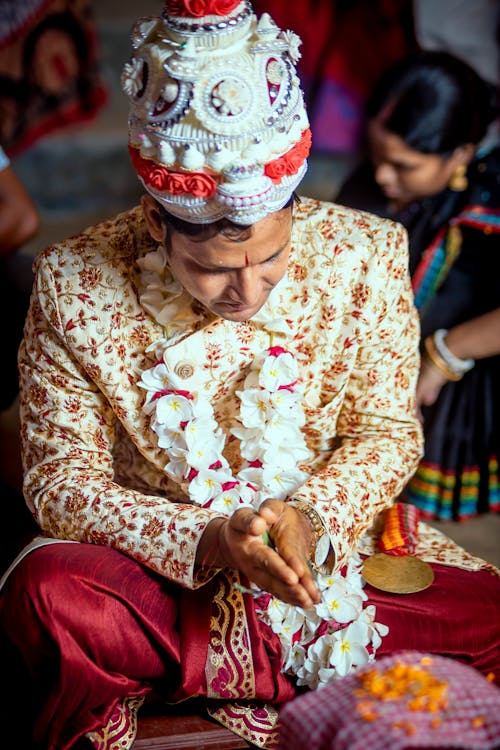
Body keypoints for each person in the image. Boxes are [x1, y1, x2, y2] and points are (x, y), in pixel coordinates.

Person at [0, 5, 498, 750]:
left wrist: (313, 518)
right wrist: (209, 539)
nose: (248, 292)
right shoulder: (73, 283)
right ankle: (291, 678)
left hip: (332, 563)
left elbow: (387, 433)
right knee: (46, 596)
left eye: (271, 259)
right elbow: (59, 482)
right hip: (166, 569)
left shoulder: (367, 253)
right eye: (212, 270)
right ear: (156, 225)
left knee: (488, 613)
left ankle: (211, 672)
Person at [336, 51, 500, 521]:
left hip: (463, 372)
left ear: (461, 154)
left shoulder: (489, 204)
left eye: (404, 166)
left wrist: (442, 355)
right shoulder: (372, 186)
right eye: (376, 156)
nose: (383, 175)